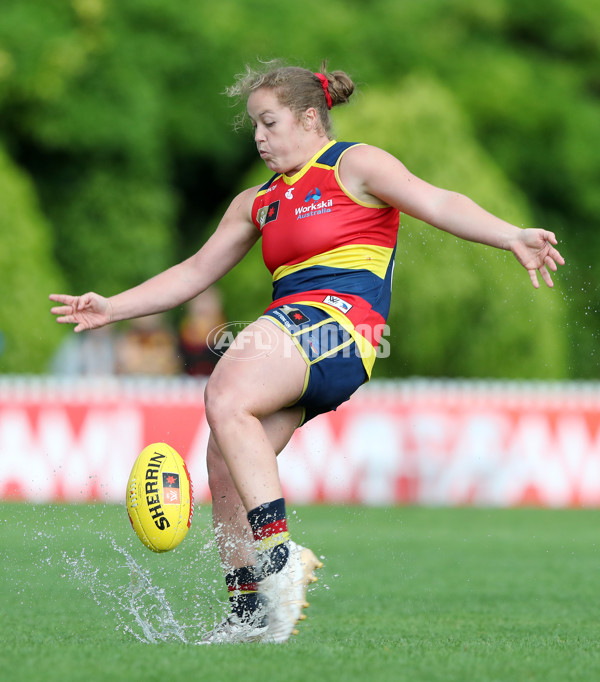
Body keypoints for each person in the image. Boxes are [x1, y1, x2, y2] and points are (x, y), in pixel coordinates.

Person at [49, 61, 565, 645]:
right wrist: (112, 308)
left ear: (310, 118)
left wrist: (510, 234)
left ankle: (280, 555)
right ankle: (249, 613)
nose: (260, 138)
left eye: (269, 123)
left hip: (340, 324)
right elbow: (195, 271)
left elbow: (438, 201)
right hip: (302, 340)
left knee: (224, 390)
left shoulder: (354, 164)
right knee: (223, 454)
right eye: (254, 127)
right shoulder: (258, 201)